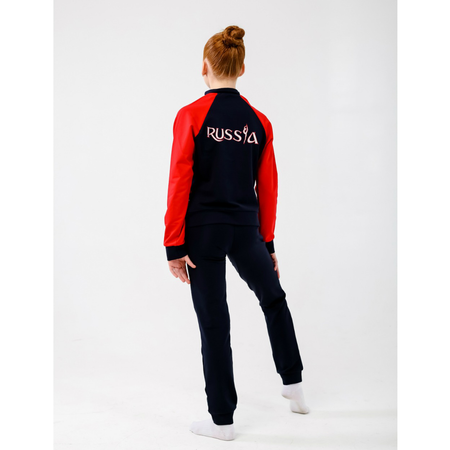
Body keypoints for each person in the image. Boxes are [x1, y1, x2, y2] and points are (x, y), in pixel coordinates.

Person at [163, 25, 309, 441]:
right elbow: (269, 187)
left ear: (204, 67)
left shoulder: (191, 115)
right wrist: (267, 242)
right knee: (274, 299)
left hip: (204, 234)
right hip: (246, 231)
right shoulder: (259, 121)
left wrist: (174, 245)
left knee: (215, 322)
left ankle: (222, 421)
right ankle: (295, 385)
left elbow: (179, 180)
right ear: (242, 68)